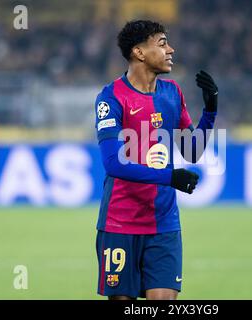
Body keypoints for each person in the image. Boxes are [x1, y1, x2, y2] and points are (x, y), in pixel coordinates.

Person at [94, 20, 218, 300]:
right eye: (162, 44)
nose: (171, 49)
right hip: (120, 223)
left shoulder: (172, 93)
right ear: (139, 52)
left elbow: (192, 151)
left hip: (164, 224)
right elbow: (113, 163)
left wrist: (210, 112)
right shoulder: (111, 97)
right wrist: (170, 177)